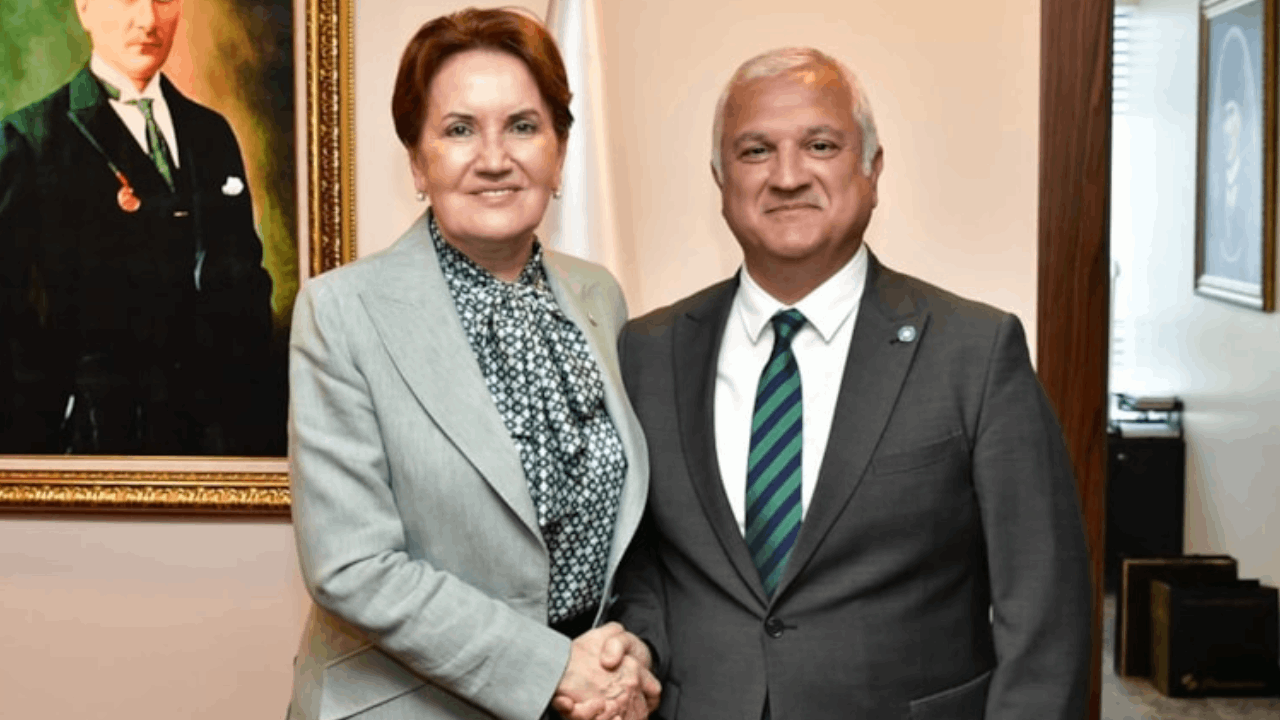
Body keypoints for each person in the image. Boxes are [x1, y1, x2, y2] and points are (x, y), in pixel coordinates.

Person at [609, 47, 1091, 719]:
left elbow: (1045, 617)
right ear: (720, 179)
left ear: (872, 168)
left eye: (820, 145)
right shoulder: (648, 352)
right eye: (755, 151)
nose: (787, 176)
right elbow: (643, 569)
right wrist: (633, 652)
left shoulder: (976, 352)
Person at [286, 9, 658, 720]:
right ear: (417, 162)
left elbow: (630, 526)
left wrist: (627, 650)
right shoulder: (341, 311)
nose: (494, 158)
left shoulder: (599, 297)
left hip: (589, 701)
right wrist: (552, 668)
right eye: (459, 129)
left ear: (559, 151)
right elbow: (351, 565)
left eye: (523, 126)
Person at [0, 0, 280, 455]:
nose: (148, 20)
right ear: (85, 8)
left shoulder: (211, 134)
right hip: (92, 447)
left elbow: (246, 286)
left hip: (215, 448)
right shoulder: (30, 141)